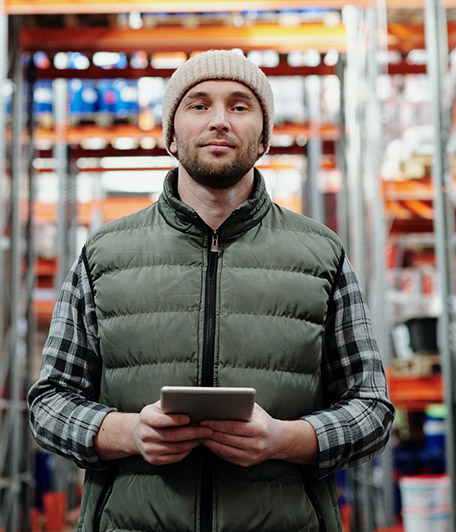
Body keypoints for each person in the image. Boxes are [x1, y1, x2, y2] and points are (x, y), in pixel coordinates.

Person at [28, 50, 395, 532]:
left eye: (240, 106)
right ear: (171, 135)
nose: (219, 121)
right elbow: (50, 403)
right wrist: (128, 432)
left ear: (263, 136)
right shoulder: (102, 255)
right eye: (198, 105)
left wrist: (285, 439)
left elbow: (371, 409)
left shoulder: (321, 255)